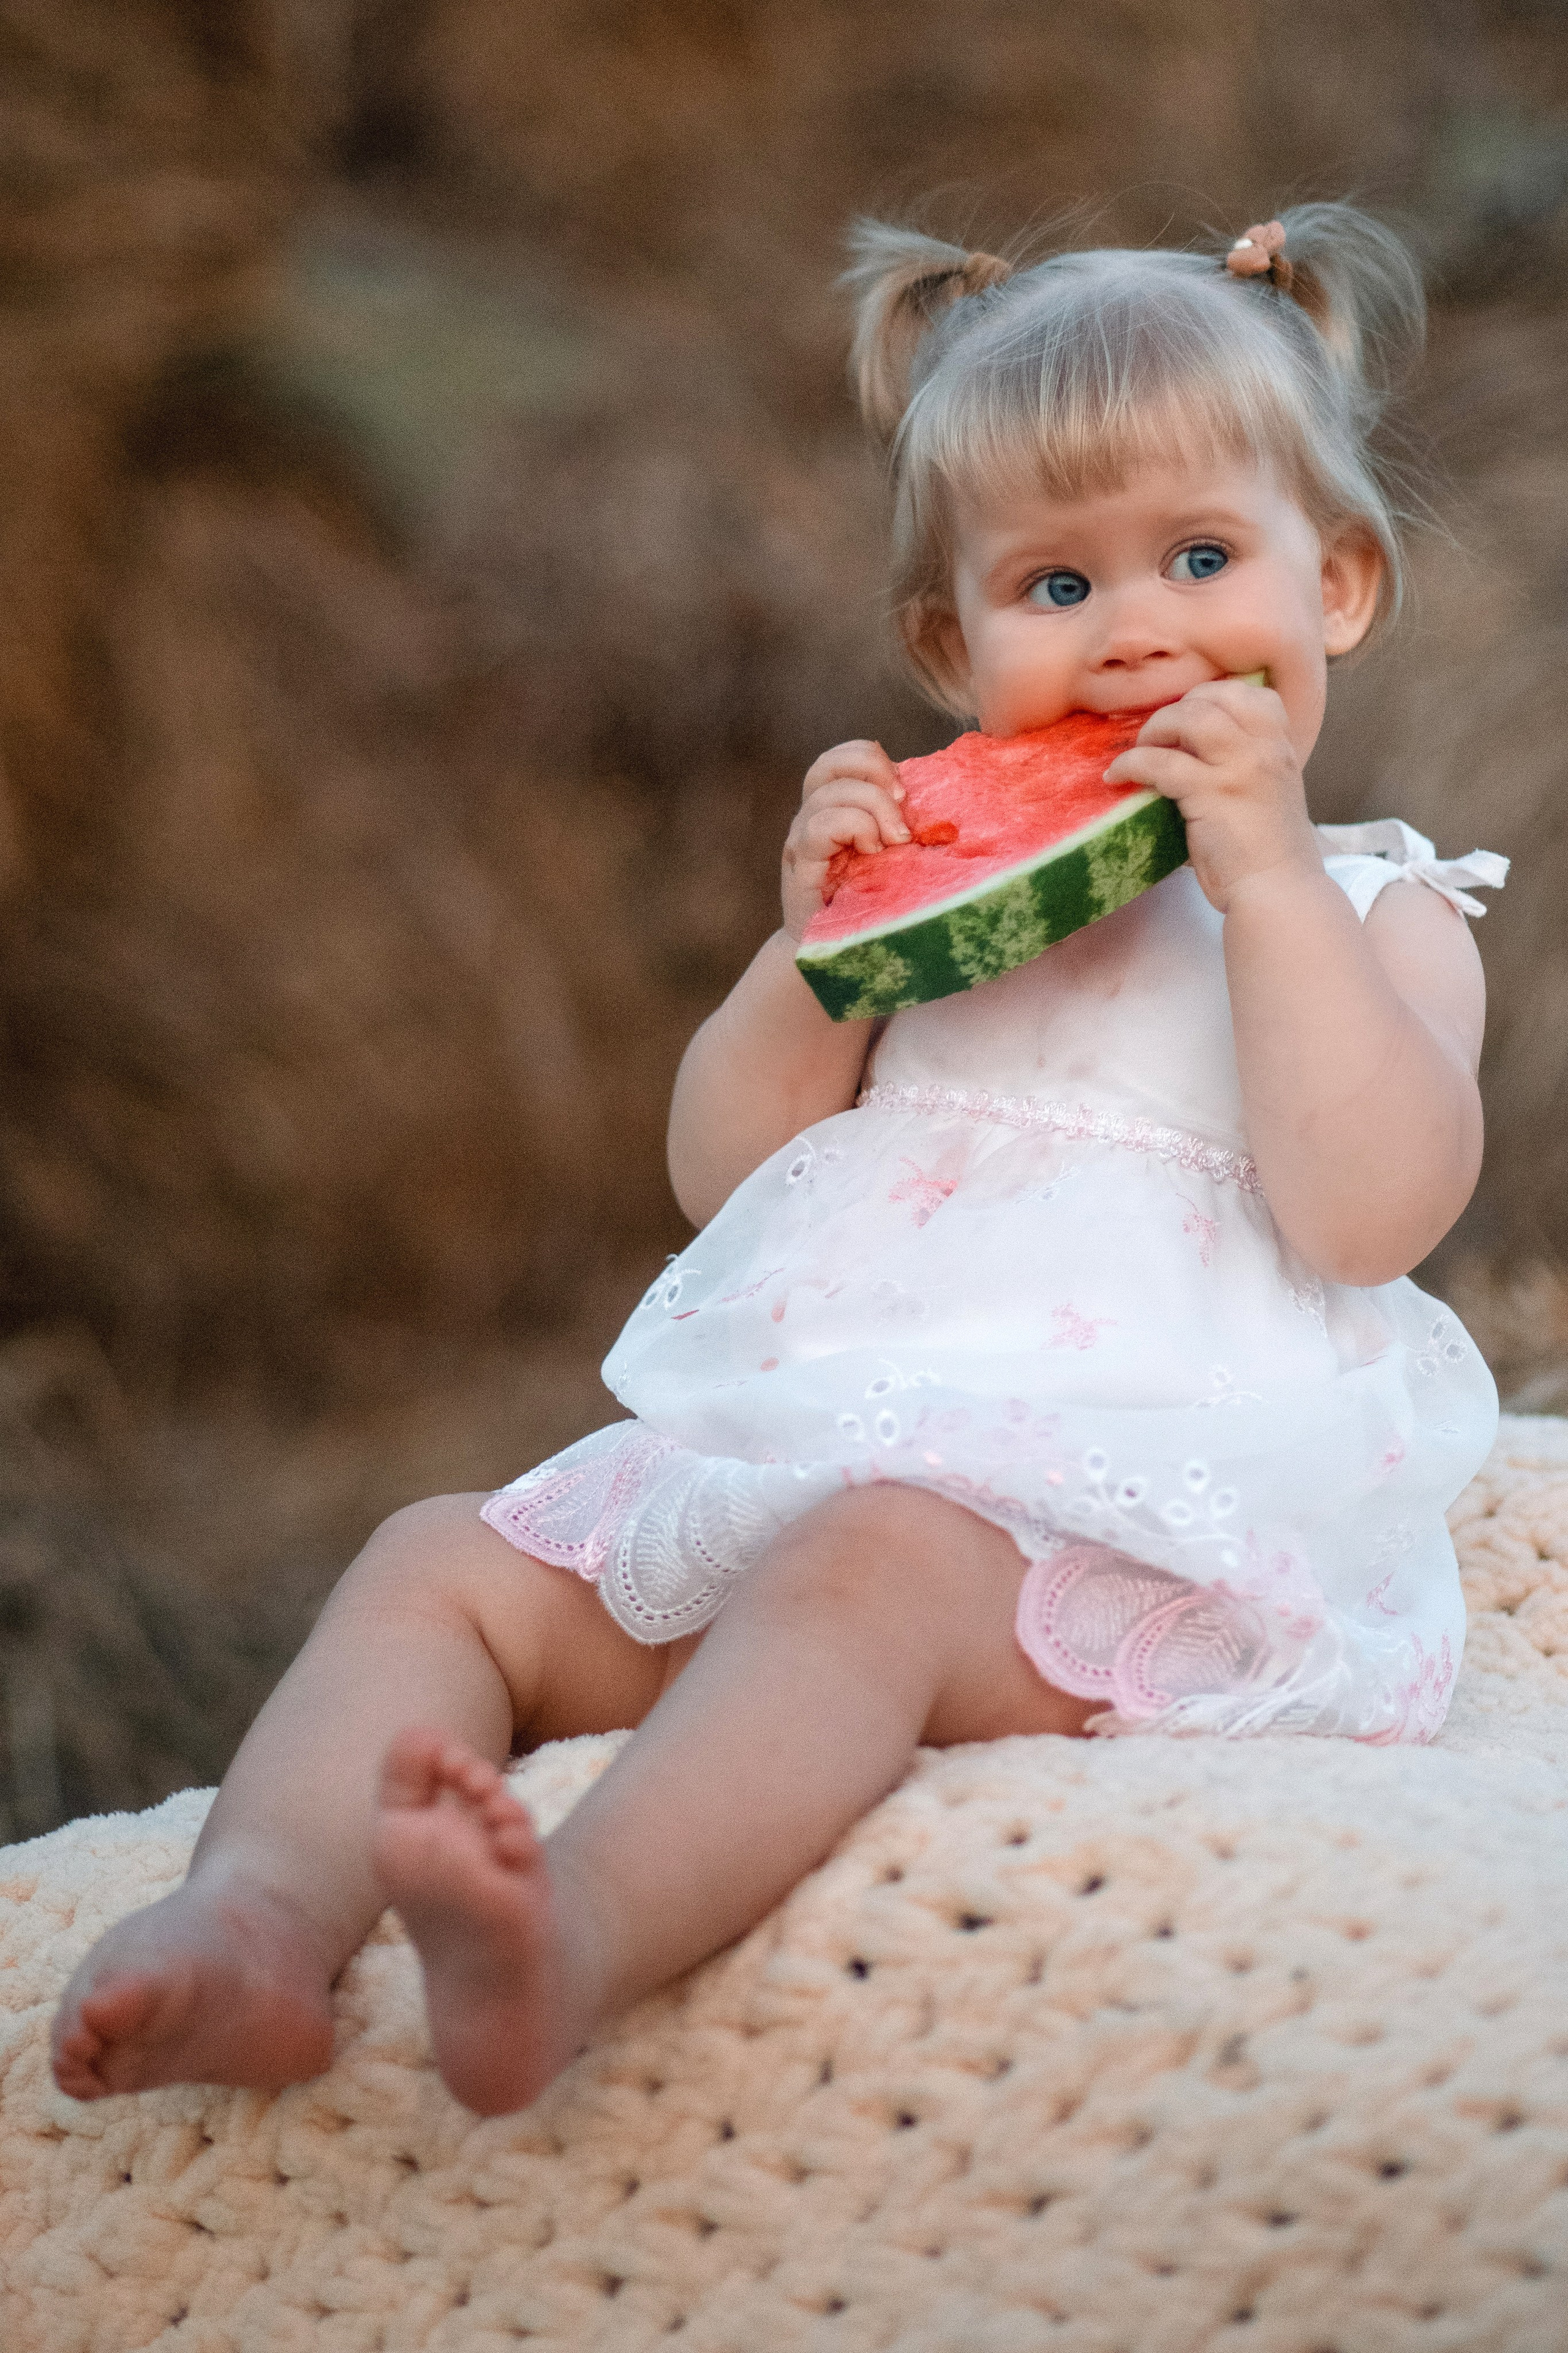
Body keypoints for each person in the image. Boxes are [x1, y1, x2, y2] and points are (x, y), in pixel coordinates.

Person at [52, 204, 1507, 2120]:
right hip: (822, 1458)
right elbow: (726, 1173)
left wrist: (1266, 888)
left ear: (1340, 588)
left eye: (1205, 558)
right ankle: (255, 1915)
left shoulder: (1379, 909)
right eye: (1054, 587)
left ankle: (569, 1927)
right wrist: (811, 953)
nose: (1136, 624)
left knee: (869, 1561)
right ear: (947, 643)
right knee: (439, 1561)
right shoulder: (936, 912)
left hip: (1128, 1530)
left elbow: (1369, 1207)